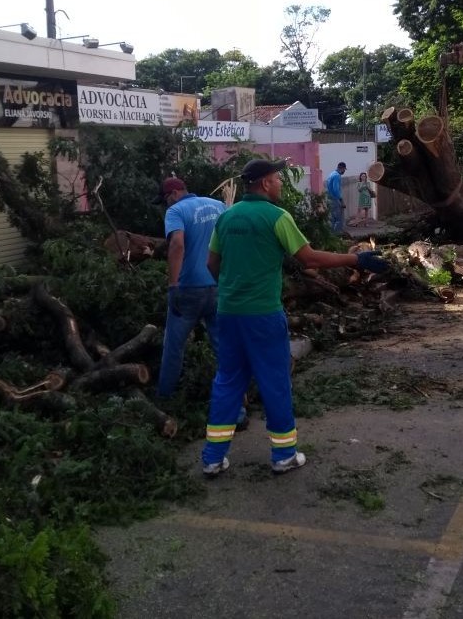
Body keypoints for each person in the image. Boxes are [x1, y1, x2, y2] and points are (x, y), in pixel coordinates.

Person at [201, 159, 389, 477]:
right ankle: (284, 455)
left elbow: (211, 265)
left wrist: (236, 285)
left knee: (228, 381)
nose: (279, 184)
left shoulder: (227, 217)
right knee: (275, 382)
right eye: (276, 179)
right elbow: (309, 258)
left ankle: (212, 458)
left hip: (229, 313)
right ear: (263, 184)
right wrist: (357, 259)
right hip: (262, 315)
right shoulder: (277, 217)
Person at [153, 177, 226, 400]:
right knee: (223, 348)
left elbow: (177, 244)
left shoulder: (176, 211)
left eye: (166, 200)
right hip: (217, 287)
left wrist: (173, 286)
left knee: (174, 347)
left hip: (188, 289)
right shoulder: (219, 206)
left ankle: (165, 401)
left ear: (173, 193)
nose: (166, 205)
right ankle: (235, 406)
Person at [326, 162, 347, 233]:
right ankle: (338, 236)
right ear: (342, 168)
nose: (344, 171)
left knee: (332, 218)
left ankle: (331, 236)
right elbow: (336, 189)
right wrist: (341, 200)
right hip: (335, 199)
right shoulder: (337, 176)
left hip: (329, 198)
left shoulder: (331, 174)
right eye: (344, 170)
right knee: (338, 219)